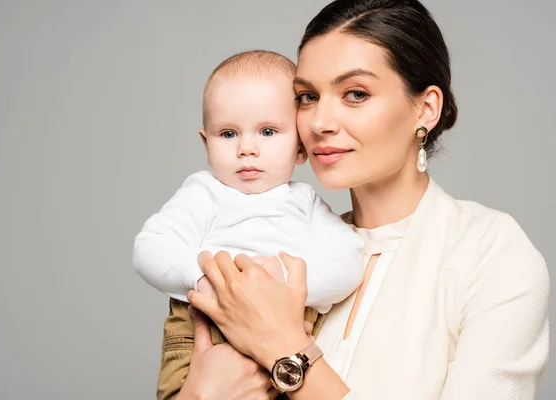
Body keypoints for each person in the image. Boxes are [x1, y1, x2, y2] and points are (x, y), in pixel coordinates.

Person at [173, 1, 551, 399]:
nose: (319, 122)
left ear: (426, 108)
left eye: (355, 94)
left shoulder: (490, 252)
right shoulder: (286, 248)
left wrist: (285, 348)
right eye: (307, 96)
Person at [132, 50, 365, 399]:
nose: (247, 148)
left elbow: (348, 261)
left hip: (287, 333)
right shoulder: (203, 192)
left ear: (301, 148)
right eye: (228, 134)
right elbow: (150, 247)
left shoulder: (305, 202)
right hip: (205, 329)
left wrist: (285, 286)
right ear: (205, 142)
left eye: (267, 131)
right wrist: (202, 280)